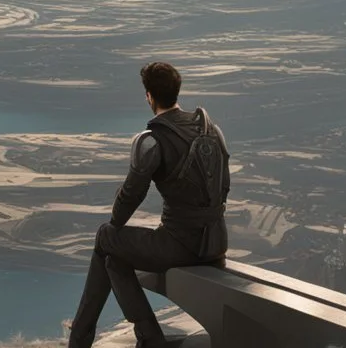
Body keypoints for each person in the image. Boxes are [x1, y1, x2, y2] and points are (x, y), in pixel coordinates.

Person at [66, 62, 231, 348]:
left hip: (181, 246)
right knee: (113, 258)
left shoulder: (153, 140)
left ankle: (84, 341)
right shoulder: (211, 130)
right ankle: (146, 338)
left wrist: (115, 225)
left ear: (149, 97)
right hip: (217, 241)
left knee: (105, 237)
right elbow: (224, 186)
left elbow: (130, 197)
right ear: (177, 91)